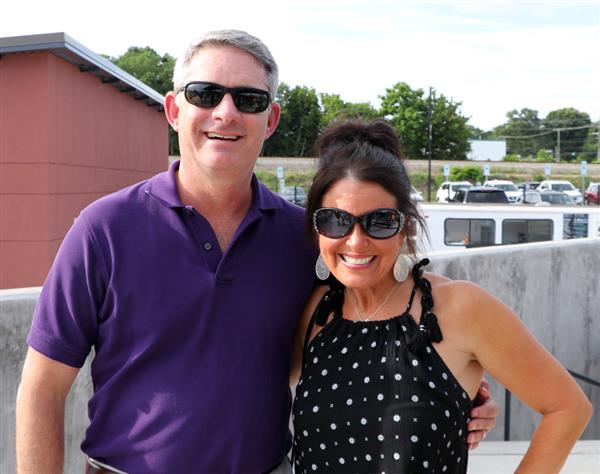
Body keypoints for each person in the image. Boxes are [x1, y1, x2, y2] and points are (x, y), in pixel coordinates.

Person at [16, 31, 498, 473]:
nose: (226, 113)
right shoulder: (104, 229)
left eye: (248, 99)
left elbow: (371, 327)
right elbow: (42, 387)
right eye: (205, 94)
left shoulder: (307, 237)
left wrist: (457, 386)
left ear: (270, 119)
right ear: (173, 109)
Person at [289, 119, 593, 474]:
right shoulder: (315, 313)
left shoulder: (458, 309)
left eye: (380, 221)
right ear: (316, 226)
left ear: (406, 226)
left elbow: (567, 407)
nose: (356, 241)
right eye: (336, 220)